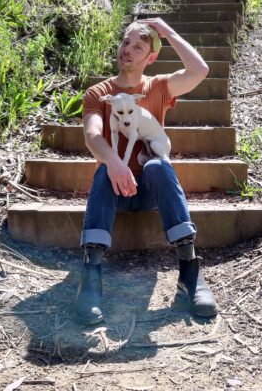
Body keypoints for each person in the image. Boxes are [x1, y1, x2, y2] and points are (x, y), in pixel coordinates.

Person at [75, 18, 218, 324]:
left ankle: (190, 275)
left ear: (150, 58)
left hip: (152, 190)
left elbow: (200, 71)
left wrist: (168, 32)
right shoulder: (98, 93)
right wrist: (114, 162)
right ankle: (91, 277)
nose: (127, 50)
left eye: (138, 47)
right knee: (103, 171)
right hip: (114, 192)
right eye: (126, 42)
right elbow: (92, 134)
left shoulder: (158, 87)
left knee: (158, 165)